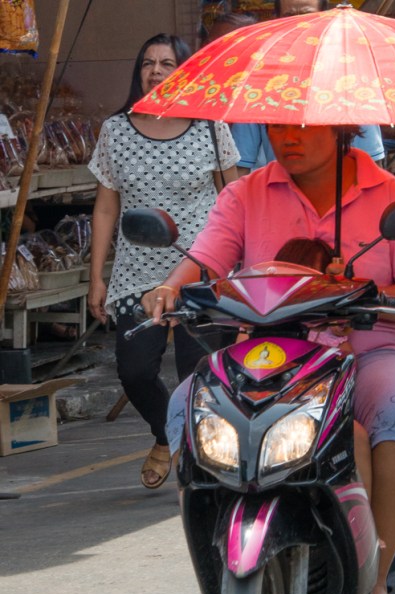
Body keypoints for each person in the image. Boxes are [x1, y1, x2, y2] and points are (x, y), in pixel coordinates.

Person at [141, 123, 395, 594]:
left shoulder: (389, 196)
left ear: (341, 130)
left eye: (304, 126)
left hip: (370, 349)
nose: (289, 137)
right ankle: (218, 577)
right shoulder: (245, 193)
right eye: (277, 126)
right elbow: (206, 260)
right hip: (269, 355)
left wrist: (359, 291)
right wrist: (171, 287)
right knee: (183, 408)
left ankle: (374, 584)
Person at [88, 33, 240, 489]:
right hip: (136, 273)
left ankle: (202, 468)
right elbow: (105, 207)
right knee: (134, 371)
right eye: (148, 62)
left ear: (185, 71)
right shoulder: (116, 130)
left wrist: (236, 268)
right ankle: (165, 433)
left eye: (167, 63)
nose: (155, 70)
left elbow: (233, 198)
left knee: (199, 376)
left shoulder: (211, 127)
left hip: (199, 270)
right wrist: (97, 277)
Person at [230, 0, 386, 174]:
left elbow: (372, 167)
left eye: (307, 15)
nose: (300, 24)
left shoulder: (348, 79)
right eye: (289, 17)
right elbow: (240, 166)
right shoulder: (260, 82)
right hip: (281, 195)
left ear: (324, 17)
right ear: (277, 20)